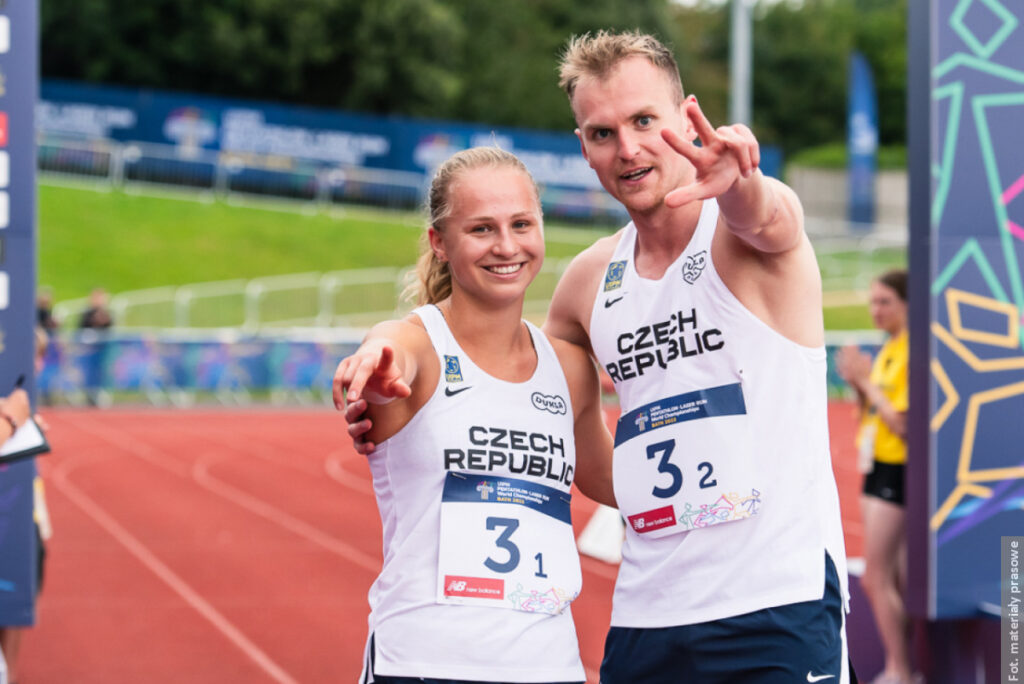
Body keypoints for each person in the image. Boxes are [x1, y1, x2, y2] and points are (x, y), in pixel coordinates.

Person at [344, 29, 851, 684]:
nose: (629, 148)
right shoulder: (588, 284)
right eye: (602, 132)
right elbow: (531, 393)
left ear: (684, 117)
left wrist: (743, 187)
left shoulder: (743, 233)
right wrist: (391, 374)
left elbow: (772, 218)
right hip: (648, 619)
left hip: (774, 606)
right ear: (583, 147)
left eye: (645, 121)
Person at [333, 147, 614, 683]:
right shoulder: (419, 348)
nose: (506, 246)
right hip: (424, 663)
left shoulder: (570, 368)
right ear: (440, 243)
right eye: (482, 229)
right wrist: (373, 359)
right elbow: (392, 347)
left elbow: (614, 480)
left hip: (549, 667)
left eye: (521, 224)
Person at [837, 270, 912, 684]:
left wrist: (867, 383)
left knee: (877, 576)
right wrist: (858, 386)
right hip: (880, 464)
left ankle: (900, 669)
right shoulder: (889, 348)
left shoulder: (913, 350)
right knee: (893, 576)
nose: (875, 310)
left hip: (897, 468)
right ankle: (905, 665)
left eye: (885, 301)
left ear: (908, 304)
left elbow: (902, 424)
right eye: (873, 301)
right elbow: (875, 413)